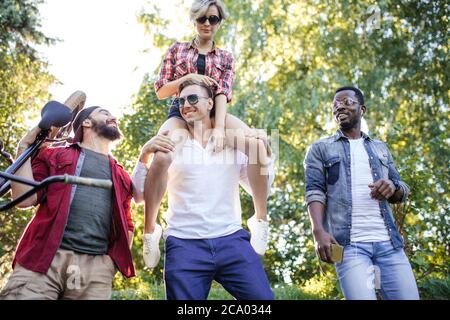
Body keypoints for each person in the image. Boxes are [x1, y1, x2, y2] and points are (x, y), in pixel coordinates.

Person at [143, 0, 271, 268]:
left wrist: (221, 128)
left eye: (213, 19)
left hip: (215, 112)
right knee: (163, 155)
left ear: (219, 22)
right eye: (202, 18)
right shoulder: (177, 50)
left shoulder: (225, 57)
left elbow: (223, 92)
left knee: (260, 145)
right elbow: (161, 90)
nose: (207, 24)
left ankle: (260, 219)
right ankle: (150, 231)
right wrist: (190, 77)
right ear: (194, 19)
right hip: (182, 113)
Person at [133, 79, 275, 300]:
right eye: (180, 101)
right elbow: (140, 196)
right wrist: (143, 155)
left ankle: (260, 221)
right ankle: (151, 233)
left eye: (192, 98)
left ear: (210, 103)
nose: (185, 105)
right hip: (184, 243)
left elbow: (262, 189)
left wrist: (265, 153)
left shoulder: (231, 143)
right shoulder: (172, 145)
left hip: (230, 238)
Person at [0, 106, 138, 300]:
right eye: (105, 113)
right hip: (44, 259)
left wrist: (110, 265)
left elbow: (127, 224)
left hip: (95, 269)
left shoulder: (122, 175)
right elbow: (24, 198)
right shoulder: (54, 155)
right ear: (86, 122)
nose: (113, 116)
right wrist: (23, 147)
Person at [304, 86, 420, 300]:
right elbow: (314, 191)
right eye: (335, 105)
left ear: (362, 109)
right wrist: (317, 230)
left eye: (346, 101)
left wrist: (392, 188)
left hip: (390, 245)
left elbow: (402, 188)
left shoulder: (380, 148)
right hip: (349, 248)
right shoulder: (320, 149)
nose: (340, 106)